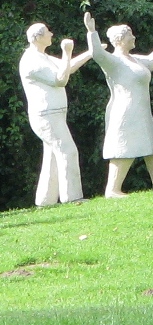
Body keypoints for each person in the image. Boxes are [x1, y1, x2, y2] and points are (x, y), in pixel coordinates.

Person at [84, 12, 153, 198]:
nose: (134, 37)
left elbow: (151, 60)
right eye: (130, 35)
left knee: (152, 143)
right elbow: (97, 54)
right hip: (125, 112)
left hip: (141, 111)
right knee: (124, 147)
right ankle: (112, 190)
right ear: (120, 40)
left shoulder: (134, 59)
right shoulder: (113, 61)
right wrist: (91, 32)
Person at [19, 23, 94, 206]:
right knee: (68, 151)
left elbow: (68, 67)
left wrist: (91, 52)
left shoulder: (42, 56)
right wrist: (67, 52)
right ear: (37, 37)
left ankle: (45, 200)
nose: (51, 34)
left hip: (54, 114)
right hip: (46, 115)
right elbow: (60, 79)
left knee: (53, 156)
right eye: (47, 32)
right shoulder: (31, 60)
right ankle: (73, 197)